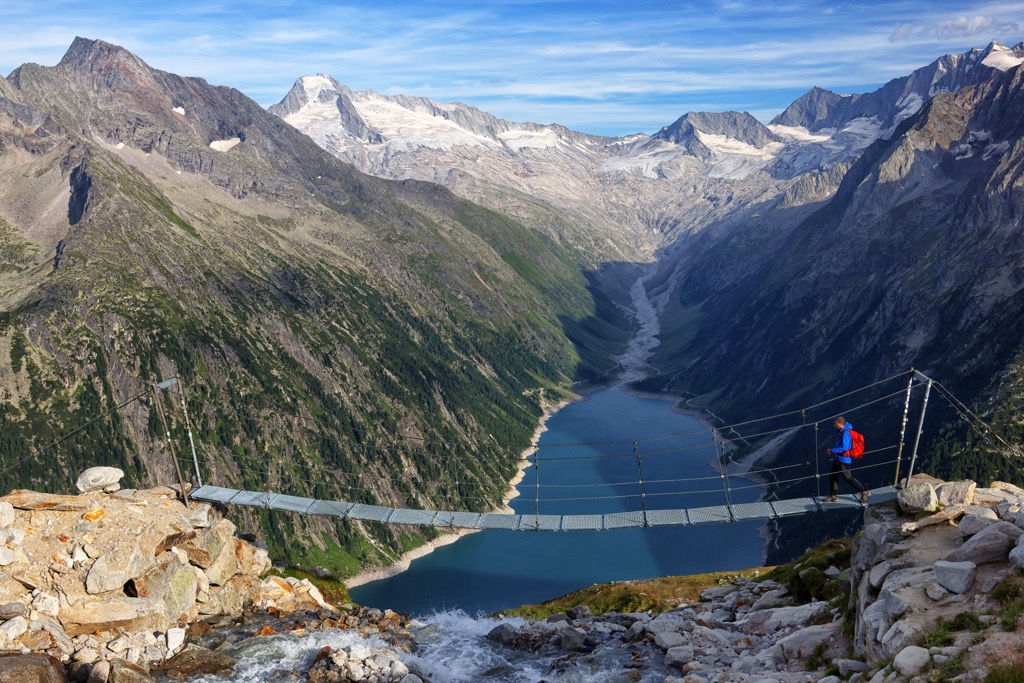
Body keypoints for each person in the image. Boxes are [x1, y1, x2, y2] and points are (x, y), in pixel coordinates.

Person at [824, 416, 869, 503]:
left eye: (835, 423)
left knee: (848, 478)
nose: (834, 425)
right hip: (839, 458)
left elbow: (844, 448)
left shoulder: (845, 433)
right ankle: (833, 495)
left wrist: (831, 450)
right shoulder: (842, 432)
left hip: (843, 460)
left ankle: (864, 491)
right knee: (833, 475)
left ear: (841, 424)